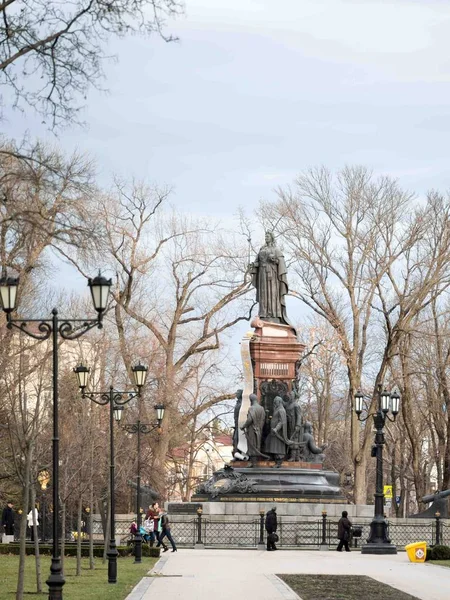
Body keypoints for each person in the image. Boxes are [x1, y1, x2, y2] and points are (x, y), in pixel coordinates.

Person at [249, 231, 295, 333]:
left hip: (273, 276)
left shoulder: (276, 250)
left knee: (273, 294)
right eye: (265, 236)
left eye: (268, 236)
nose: (266, 237)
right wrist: (252, 266)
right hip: (262, 275)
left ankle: (274, 315)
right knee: (264, 294)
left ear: (272, 237)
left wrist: (274, 260)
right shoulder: (262, 249)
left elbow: (281, 264)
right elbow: (257, 263)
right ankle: (264, 314)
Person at [241, 393, 267, 466]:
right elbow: (263, 419)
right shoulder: (261, 408)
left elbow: (249, 419)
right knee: (257, 444)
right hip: (259, 429)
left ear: (250, 400)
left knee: (252, 444)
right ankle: (254, 462)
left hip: (252, 429)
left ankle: (253, 462)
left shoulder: (252, 408)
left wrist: (244, 426)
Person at [264, 396, 288, 466]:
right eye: (274, 401)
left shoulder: (281, 410)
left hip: (278, 433)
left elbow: (282, 422)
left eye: (276, 401)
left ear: (279, 402)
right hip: (273, 432)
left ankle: (279, 462)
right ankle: (271, 457)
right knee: (268, 443)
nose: (274, 403)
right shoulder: (277, 409)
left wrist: (276, 429)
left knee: (278, 447)